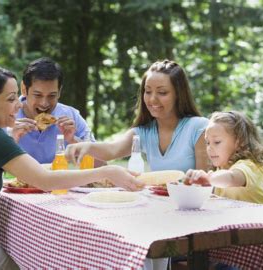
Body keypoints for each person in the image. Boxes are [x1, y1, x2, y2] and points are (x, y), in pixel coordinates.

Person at [0, 64, 143, 270]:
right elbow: (44, 180)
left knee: (21, 252)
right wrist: (107, 171)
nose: (18, 105)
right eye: (11, 99)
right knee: (36, 259)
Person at [65, 59, 209, 270]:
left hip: (191, 219)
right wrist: (82, 145)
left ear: (179, 94)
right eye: (147, 91)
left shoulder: (199, 127)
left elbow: (205, 182)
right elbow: (112, 150)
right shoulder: (144, 131)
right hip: (158, 215)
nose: (152, 99)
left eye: (162, 92)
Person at [10, 57, 96, 164]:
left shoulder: (71, 115)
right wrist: (11, 140)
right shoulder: (5, 116)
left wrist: (73, 140)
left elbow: (101, 164)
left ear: (59, 92)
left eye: (52, 95)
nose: (44, 103)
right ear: (23, 89)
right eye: (38, 95)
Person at [184, 111, 263, 205]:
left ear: (240, 142)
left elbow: (231, 178)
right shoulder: (220, 169)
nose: (210, 148)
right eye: (207, 142)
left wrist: (207, 178)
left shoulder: (249, 166)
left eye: (217, 142)